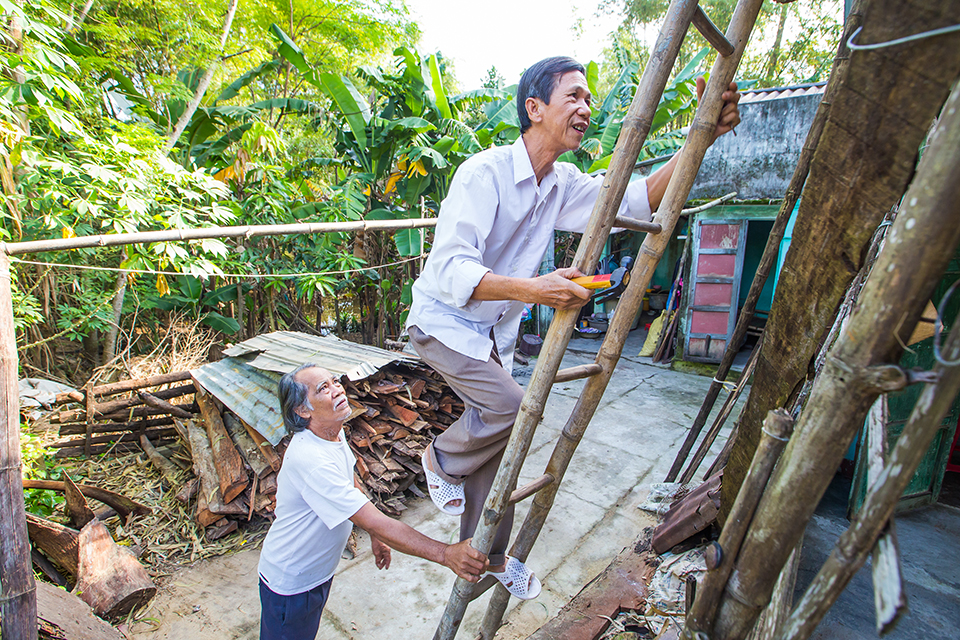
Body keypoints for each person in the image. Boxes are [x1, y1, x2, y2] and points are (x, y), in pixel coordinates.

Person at [405, 56, 741, 599]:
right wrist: (536, 288)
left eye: (590, 99)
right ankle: (439, 458)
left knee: (502, 450)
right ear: (534, 108)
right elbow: (447, 270)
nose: (586, 108)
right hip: (442, 322)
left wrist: (701, 138)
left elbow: (635, 198)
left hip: (490, 335)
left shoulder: (560, 182)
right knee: (512, 407)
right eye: (574, 97)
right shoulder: (483, 173)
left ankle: (487, 558)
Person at [257, 363, 488, 640]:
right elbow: (375, 520)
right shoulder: (310, 459)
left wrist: (375, 534)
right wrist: (445, 553)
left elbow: (349, 479)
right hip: (292, 584)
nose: (337, 389)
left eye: (334, 381)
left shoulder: (333, 433)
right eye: (323, 388)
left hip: (315, 574)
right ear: (303, 410)